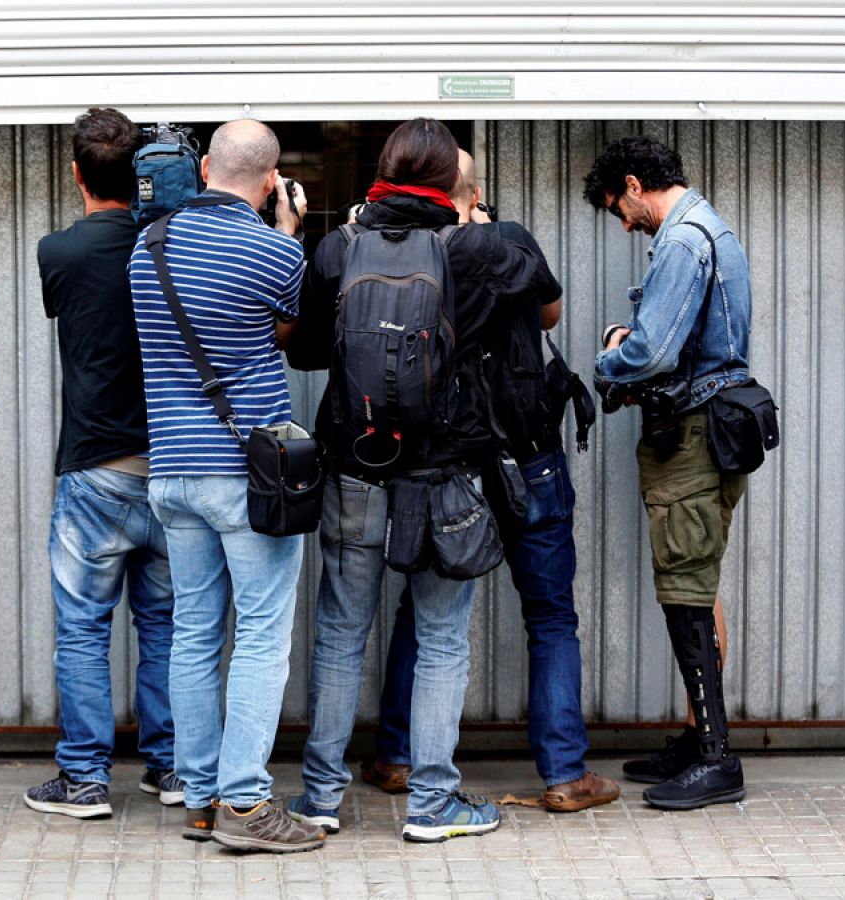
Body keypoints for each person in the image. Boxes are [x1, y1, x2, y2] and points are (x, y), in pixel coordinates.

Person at [284, 118, 558, 843]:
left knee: (341, 634)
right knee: (441, 640)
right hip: (448, 478)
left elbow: (309, 351)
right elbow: (543, 305)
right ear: (452, 184)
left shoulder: (339, 247)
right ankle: (434, 807)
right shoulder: (481, 249)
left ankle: (318, 798)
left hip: (355, 466)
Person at [360, 150, 620, 815]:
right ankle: (565, 774)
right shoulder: (506, 243)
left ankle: (394, 755)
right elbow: (550, 315)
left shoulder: (404, 252)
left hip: (452, 467)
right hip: (528, 455)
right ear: (474, 193)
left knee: (423, 611)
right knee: (552, 618)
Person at [129, 118, 323, 853]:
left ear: (204, 166)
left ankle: (201, 797)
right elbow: (280, 334)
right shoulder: (277, 253)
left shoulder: (143, 252)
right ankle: (247, 805)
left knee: (194, 634)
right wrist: (289, 231)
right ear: (271, 180)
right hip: (247, 474)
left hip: (172, 472)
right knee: (262, 636)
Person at [583, 135, 752, 810]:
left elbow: (653, 351)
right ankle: (697, 736)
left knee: (686, 588)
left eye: (617, 208)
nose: (622, 223)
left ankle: (716, 759)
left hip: (690, 437)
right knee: (698, 581)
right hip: (715, 429)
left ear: (633, 184)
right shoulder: (713, 228)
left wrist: (610, 353)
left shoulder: (682, 241)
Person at [23, 108, 180, 821]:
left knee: (84, 626)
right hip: (173, 469)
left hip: (95, 465)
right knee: (170, 626)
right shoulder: (172, 244)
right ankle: (172, 767)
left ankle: (84, 779)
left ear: (78, 171)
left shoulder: (60, 251)